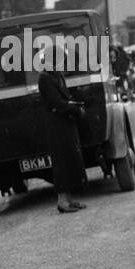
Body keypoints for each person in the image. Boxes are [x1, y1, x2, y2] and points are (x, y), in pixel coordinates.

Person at [38, 68, 89, 213]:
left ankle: (69, 199)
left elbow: (65, 98)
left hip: (66, 124)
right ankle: (62, 201)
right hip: (57, 126)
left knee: (70, 160)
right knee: (61, 162)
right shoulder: (45, 78)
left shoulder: (57, 75)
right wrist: (76, 110)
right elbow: (57, 103)